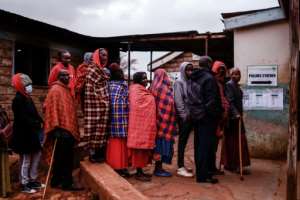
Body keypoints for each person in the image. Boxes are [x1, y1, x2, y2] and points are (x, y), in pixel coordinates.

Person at [44, 69, 82, 191]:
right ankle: (67, 183)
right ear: (58, 76)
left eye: (68, 75)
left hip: (67, 130)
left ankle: (56, 181)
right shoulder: (55, 90)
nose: (67, 77)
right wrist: (56, 127)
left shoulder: (66, 90)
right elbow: (51, 109)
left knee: (61, 157)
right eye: (64, 75)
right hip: (60, 130)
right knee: (65, 159)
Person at [187, 56, 223, 184]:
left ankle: (201, 173)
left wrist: (197, 112)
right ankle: (203, 176)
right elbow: (212, 101)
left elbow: (190, 97)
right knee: (206, 147)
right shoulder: (209, 78)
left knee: (198, 146)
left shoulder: (192, 77)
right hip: (207, 117)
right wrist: (213, 115)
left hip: (196, 116)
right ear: (208, 64)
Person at [10, 73, 44, 193]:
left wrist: (41, 121)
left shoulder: (28, 98)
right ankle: (24, 183)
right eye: (27, 85)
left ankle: (32, 179)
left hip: (32, 133)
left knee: (37, 155)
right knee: (26, 159)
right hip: (23, 135)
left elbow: (35, 113)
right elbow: (23, 118)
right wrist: (36, 123)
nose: (30, 87)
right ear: (20, 86)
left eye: (30, 84)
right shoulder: (17, 100)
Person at [127, 72, 156, 182]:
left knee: (142, 151)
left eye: (146, 78)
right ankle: (139, 173)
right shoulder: (135, 91)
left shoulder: (141, 90)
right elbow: (137, 106)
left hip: (142, 126)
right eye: (143, 78)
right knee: (138, 151)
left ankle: (141, 171)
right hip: (138, 126)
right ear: (138, 80)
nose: (146, 80)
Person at [82, 48, 110, 163]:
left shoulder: (103, 70)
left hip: (103, 106)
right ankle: (92, 154)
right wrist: (103, 102)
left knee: (101, 130)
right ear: (97, 56)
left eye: (106, 55)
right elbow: (90, 90)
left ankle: (99, 154)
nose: (105, 57)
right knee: (93, 128)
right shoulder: (92, 70)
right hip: (94, 105)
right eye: (103, 55)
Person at [222, 68, 251, 173]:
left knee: (236, 141)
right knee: (236, 141)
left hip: (237, 117)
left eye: (238, 74)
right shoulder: (229, 85)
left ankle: (232, 164)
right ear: (230, 75)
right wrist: (236, 113)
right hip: (233, 118)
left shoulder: (237, 86)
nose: (236, 76)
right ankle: (234, 165)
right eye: (234, 74)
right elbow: (230, 101)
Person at [150, 69, 177, 177]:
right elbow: (168, 104)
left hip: (156, 121)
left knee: (158, 144)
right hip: (165, 122)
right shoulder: (164, 88)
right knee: (161, 144)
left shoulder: (152, 88)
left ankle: (158, 167)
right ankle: (158, 169)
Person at [106, 64, 130, 177]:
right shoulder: (123, 87)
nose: (122, 75)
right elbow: (126, 103)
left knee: (117, 145)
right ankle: (119, 168)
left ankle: (120, 167)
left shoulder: (108, 86)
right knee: (119, 145)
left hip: (112, 120)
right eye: (120, 73)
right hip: (122, 119)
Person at [174, 62, 194, 177]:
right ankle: (180, 166)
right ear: (183, 70)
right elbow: (178, 100)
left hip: (191, 116)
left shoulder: (190, 81)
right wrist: (183, 115)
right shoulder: (179, 82)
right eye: (188, 70)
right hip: (184, 117)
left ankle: (182, 165)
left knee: (186, 141)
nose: (190, 72)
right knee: (182, 141)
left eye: (191, 70)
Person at [211, 61, 230, 175]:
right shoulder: (213, 83)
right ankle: (211, 167)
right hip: (215, 118)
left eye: (223, 71)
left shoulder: (222, 84)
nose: (221, 73)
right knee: (212, 145)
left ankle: (212, 167)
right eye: (219, 71)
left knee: (215, 145)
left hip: (221, 118)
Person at [0, 106, 12, 197]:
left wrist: (5, 131)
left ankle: (4, 191)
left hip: (2, 144)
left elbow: (9, 123)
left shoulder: (2, 112)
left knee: (3, 166)